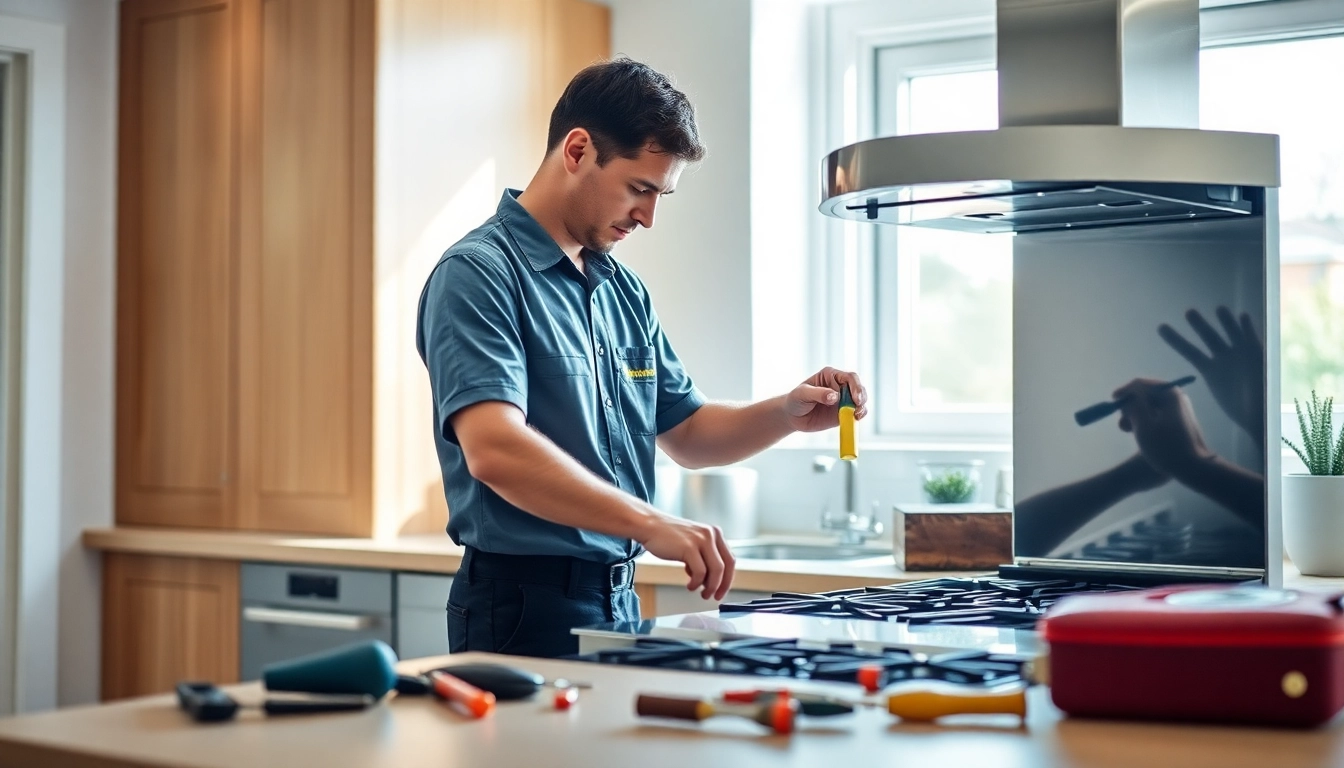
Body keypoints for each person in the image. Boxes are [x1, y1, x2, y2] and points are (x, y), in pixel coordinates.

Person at [415, 57, 868, 658]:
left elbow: (686, 431)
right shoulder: (479, 274)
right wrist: (651, 523)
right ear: (577, 151)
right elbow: (494, 449)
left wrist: (786, 412)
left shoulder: (622, 289)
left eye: (662, 195)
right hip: (522, 606)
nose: (649, 217)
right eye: (640, 188)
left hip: (619, 600)